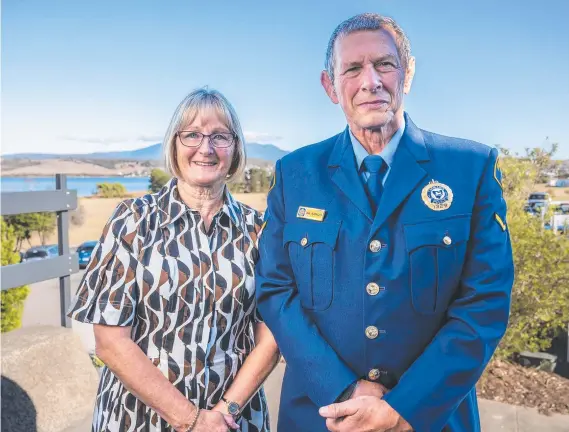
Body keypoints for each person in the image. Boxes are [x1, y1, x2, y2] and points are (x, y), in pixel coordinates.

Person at [255, 13, 514, 432]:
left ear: (407, 74)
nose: (370, 81)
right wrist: (343, 391)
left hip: (431, 419)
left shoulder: (471, 168)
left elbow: (484, 302)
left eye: (385, 64)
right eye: (352, 69)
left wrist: (406, 407)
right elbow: (275, 291)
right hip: (322, 416)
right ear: (330, 86)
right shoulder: (295, 173)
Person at [68, 88, 280, 432]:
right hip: (140, 420)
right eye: (192, 135)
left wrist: (223, 415)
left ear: (236, 148)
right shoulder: (133, 221)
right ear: (174, 145)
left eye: (220, 136)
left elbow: (271, 336)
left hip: (234, 420)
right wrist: (191, 420)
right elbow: (109, 340)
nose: (205, 148)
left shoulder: (258, 230)